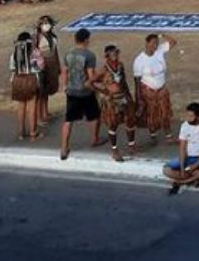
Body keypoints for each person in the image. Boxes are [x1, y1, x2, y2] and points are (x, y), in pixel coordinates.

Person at [60, 27, 101, 159]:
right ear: (86, 40)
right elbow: (90, 75)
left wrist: (65, 86)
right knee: (94, 115)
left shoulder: (68, 54)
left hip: (72, 90)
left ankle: (64, 147)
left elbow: (64, 72)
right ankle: (94, 139)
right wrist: (96, 88)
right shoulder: (89, 55)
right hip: (85, 91)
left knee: (69, 120)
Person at [132, 33, 177, 145]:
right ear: (146, 43)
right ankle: (153, 136)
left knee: (165, 113)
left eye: (156, 43)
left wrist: (163, 35)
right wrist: (139, 99)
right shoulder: (139, 60)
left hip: (161, 89)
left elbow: (173, 42)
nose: (155, 45)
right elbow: (137, 81)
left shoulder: (160, 51)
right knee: (151, 114)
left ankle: (169, 135)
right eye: (152, 43)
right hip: (148, 90)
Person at [164, 102, 199, 194]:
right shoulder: (184, 125)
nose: (188, 119)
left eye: (191, 116)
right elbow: (182, 146)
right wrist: (182, 166)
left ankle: (183, 181)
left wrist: (196, 164)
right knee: (166, 170)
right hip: (188, 157)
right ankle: (194, 177)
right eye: (187, 115)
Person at [96, 45, 137, 162]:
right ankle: (114, 150)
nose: (115, 56)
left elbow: (123, 82)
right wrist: (105, 91)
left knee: (130, 119)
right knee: (113, 124)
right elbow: (90, 83)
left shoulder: (120, 65)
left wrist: (129, 96)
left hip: (123, 97)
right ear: (107, 56)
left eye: (116, 53)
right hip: (111, 101)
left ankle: (131, 144)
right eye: (112, 54)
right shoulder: (103, 69)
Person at [9, 31, 42, 141]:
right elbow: (41, 67)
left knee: (21, 107)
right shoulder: (34, 52)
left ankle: (21, 133)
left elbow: (12, 68)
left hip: (18, 80)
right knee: (32, 108)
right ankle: (33, 132)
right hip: (31, 79)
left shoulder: (14, 53)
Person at [34, 15, 60, 126]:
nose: (46, 25)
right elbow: (34, 54)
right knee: (41, 92)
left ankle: (46, 112)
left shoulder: (52, 36)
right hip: (41, 66)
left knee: (47, 90)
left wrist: (58, 65)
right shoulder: (36, 38)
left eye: (48, 23)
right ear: (39, 26)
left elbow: (55, 51)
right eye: (44, 23)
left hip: (52, 64)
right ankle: (40, 117)